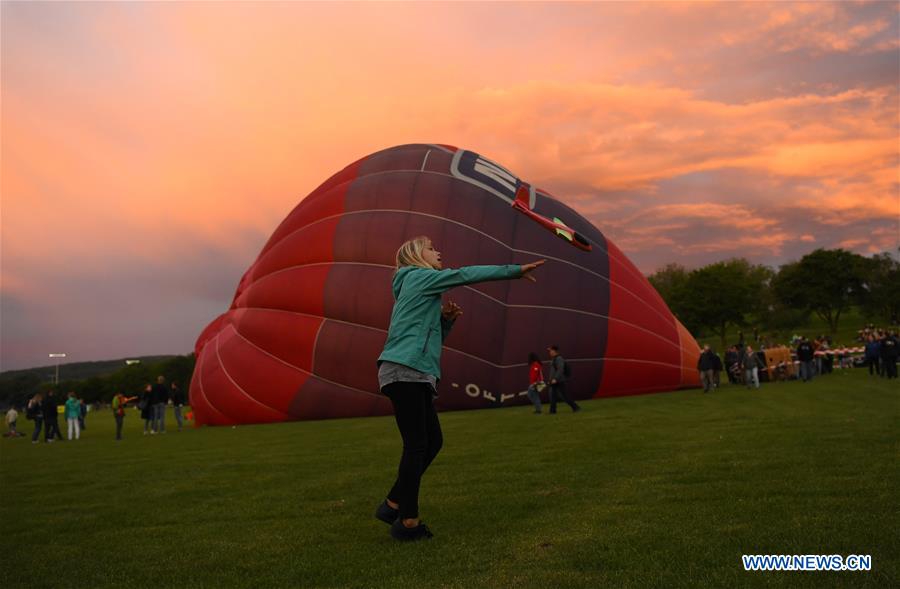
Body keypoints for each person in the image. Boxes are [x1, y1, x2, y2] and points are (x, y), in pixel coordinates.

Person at [373, 235, 544, 542]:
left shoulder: (418, 288)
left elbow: (429, 342)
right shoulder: (421, 277)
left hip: (414, 370)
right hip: (405, 370)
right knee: (417, 445)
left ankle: (392, 504)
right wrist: (513, 271)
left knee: (432, 441)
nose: (438, 251)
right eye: (431, 248)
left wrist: (446, 323)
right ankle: (407, 521)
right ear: (416, 256)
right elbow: (465, 274)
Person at [547, 345, 580, 413]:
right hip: (554, 381)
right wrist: (550, 379)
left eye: (550, 351)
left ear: (554, 351)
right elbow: (553, 371)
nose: (549, 352)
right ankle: (552, 411)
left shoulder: (559, 359)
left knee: (565, 396)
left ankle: (576, 407)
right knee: (552, 396)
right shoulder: (554, 359)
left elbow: (560, 369)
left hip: (559, 381)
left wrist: (555, 379)